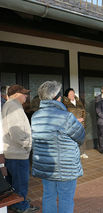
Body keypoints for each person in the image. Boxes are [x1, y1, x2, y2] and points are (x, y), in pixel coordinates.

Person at [31, 81, 85, 213]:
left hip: (46, 165)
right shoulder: (66, 116)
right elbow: (81, 136)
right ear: (58, 98)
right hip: (65, 166)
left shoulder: (35, 116)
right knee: (65, 198)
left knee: (48, 196)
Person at [2, 84, 39, 213]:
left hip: (13, 153)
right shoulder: (13, 106)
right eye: (24, 94)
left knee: (14, 183)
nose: (26, 96)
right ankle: (21, 207)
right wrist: (27, 144)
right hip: (17, 154)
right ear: (16, 94)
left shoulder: (11, 105)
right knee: (21, 183)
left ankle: (18, 203)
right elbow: (15, 131)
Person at [63, 88, 88, 158]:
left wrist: (83, 118)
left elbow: (84, 111)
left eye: (73, 93)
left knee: (82, 138)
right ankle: (73, 154)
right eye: (70, 94)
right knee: (72, 139)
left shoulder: (79, 101)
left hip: (81, 124)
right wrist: (76, 120)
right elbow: (65, 115)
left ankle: (82, 153)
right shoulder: (65, 103)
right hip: (72, 124)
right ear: (67, 95)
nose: (72, 95)